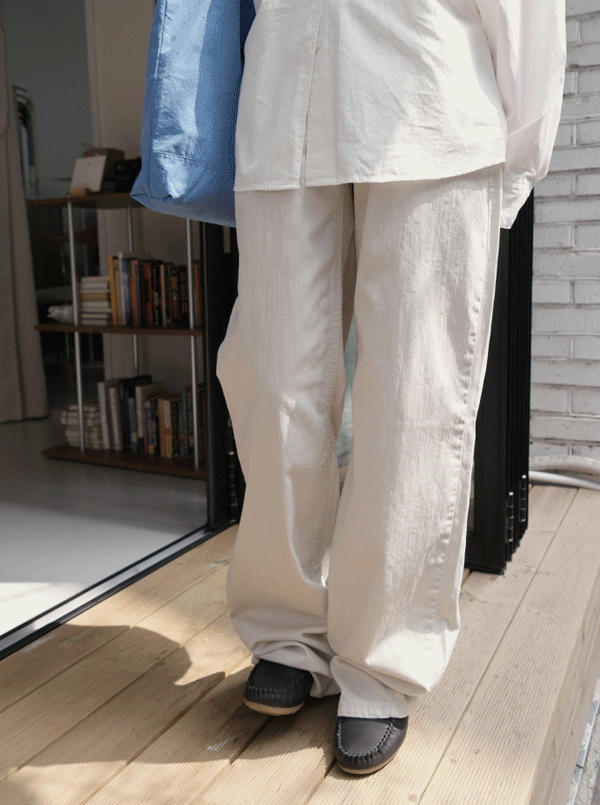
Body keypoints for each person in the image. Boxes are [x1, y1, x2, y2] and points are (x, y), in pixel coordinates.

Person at [215, 0, 566, 776]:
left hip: (429, 88)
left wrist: (519, 154)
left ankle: (380, 660)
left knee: (414, 399)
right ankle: (287, 627)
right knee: (273, 379)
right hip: (284, 90)